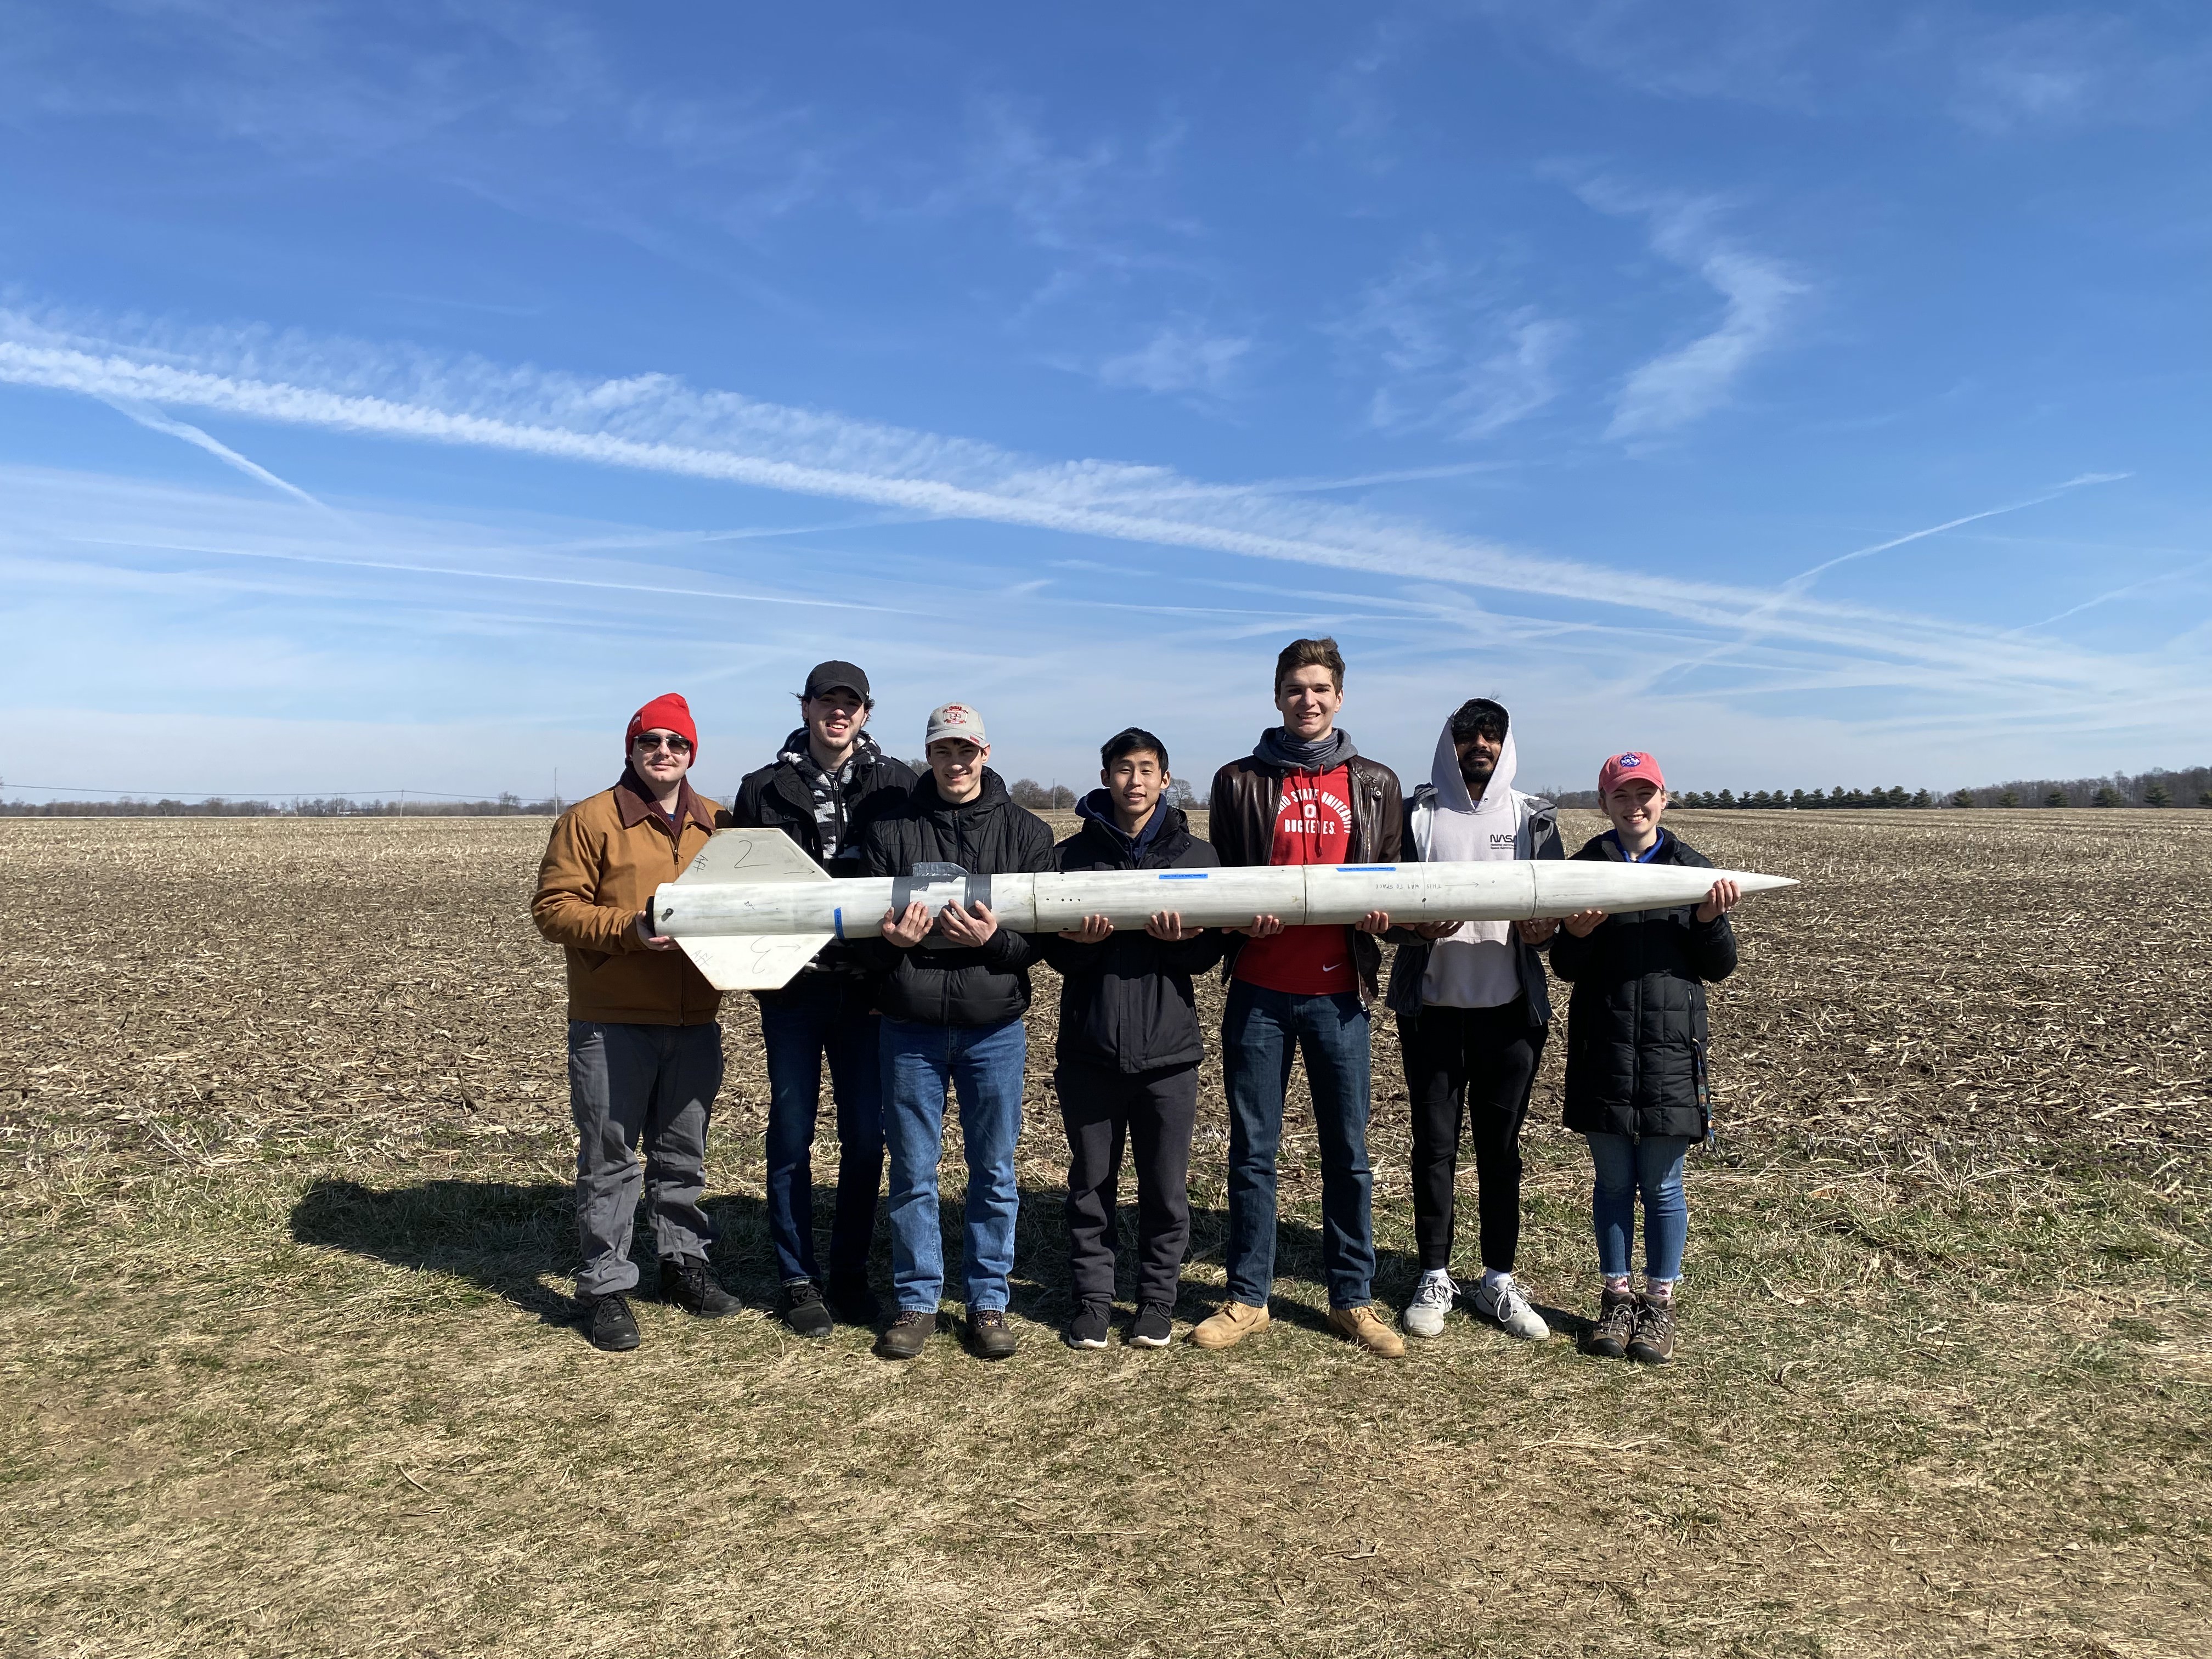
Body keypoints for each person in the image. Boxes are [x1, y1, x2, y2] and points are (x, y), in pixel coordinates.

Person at [1195, 637, 1407, 1357]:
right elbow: (1222, 880)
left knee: (1347, 1153)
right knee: (1254, 1151)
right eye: (1294, 688)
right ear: (1277, 695)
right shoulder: (1238, 781)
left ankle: (1352, 1298)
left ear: (1340, 697)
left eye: (1320, 688)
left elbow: (1400, 888)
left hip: (1339, 996)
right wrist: (1235, 921)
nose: (1307, 701)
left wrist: (1387, 922)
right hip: (1257, 993)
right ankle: (1248, 1297)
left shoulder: (1375, 782)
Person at [531, 692, 740, 1352]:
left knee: (683, 1157)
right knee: (611, 1156)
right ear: (631, 748)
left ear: (692, 753)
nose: (664, 753)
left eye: (677, 744)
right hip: (612, 1018)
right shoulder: (590, 820)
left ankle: (684, 1265)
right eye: (651, 742)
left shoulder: (719, 823)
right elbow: (553, 909)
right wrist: (630, 929)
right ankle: (606, 1288)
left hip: (694, 1015)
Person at [856, 702, 1054, 1362]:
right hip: (908, 1026)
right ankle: (916, 1301)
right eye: (944, 750)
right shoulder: (892, 830)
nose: (956, 762)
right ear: (930, 755)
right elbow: (863, 941)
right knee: (913, 1170)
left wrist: (997, 942)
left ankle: (989, 1301)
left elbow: (1041, 941)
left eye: (966, 750)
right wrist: (894, 947)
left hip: (992, 1026)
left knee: (992, 1170)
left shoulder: (1026, 832)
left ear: (986, 752)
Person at [723, 660, 917, 1337]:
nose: (839, 713)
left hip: (871, 989)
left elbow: (947, 835)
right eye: (826, 701)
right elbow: (738, 892)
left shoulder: (900, 784)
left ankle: (850, 1273)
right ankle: (796, 1278)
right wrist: (761, 974)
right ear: (804, 707)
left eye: (851, 703)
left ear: (867, 713)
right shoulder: (762, 790)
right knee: (791, 1134)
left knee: (867, 1138)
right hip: (795, 991)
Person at [1551, 750, 1741, 1366]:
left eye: (1646, 795)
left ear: (1665, 798)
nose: (1635, 807)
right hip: (1603, 1043)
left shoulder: (1694, 871)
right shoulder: (1585, 867)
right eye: (1622, 797)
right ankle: (1615, 1297)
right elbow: (1564, 967)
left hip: (1669, 1051)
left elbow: (1719, 967)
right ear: (1604, 805)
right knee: (1611, 1182)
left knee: (1662, 1185)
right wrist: (1576, 935)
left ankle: (1658, 1304)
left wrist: (1709, 920)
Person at [1041, 729, 1226, 1351]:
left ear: (1166, 780)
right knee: (1091, 1183)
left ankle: (1155, 1300)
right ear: (1106, 776)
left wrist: (1186, 943)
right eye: (1124, 769)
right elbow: (1051, 954)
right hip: (1089, 1047)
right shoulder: (1070, 858)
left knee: (1164, 1186)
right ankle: (1093, 1300)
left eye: (1147, 769)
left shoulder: (1197, 856)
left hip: (1169, 1050)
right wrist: (1077, 946)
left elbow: (1211, 953)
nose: (1136, 781)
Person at [1386, 698, 1564, 1342]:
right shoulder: (1419, 815)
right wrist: (1412, 929)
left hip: (1510, 1015)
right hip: (1432, 1011)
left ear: (1506, 743)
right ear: (1450, 743)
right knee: (1433, 1149)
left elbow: (1554, 918)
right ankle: (1433, 1274)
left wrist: (1543, 934)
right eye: (1467, 736)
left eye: (1491, 735)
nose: (1479, 745)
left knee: (1501, 1150)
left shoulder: (1533, 818)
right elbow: (1388, 912)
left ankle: (1497, 1280)